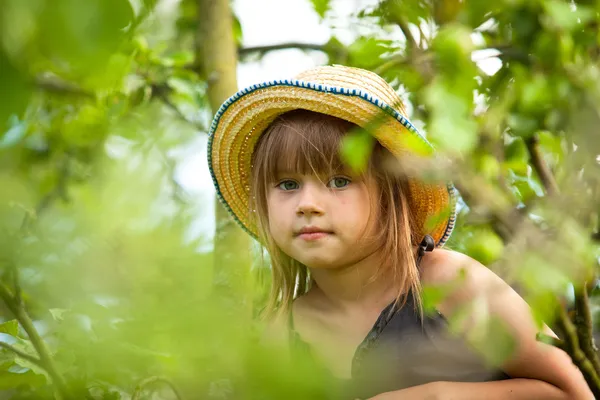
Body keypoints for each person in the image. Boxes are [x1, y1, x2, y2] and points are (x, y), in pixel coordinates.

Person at [207, 65, 592, 399]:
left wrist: (440, 395)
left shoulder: (448, 281)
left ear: (393, 198)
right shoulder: (283, 333)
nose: (308, 204)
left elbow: (577, 390)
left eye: (339, 180)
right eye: (288, 185)